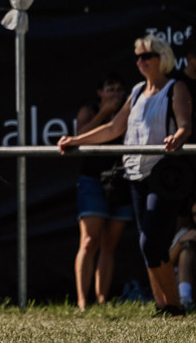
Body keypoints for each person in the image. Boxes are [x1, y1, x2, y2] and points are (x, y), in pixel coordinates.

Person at [59, 35, 193, 317]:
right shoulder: (135, 92)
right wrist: (76, 140)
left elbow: (185, 125)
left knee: (150, 240)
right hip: (135, 174)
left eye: (147, 56)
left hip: (163, 173)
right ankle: (164, 305)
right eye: (138, 57)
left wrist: (177, 138)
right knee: (149, 243)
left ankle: (175, 305)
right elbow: (113, 129)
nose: (140, 61)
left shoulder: (175, 87)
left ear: (162, 58)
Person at [71, 73, 131, 310]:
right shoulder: (89, 109)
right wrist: (104, 114)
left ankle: (103, 298)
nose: (115, 93)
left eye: (119, 88)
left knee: (109, 244)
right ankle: (82, 301)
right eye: (110, 88)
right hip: (92, 181)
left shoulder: (129, 109)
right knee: (88, 241)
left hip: (120, 179)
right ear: (100, 92)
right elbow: (81, 137)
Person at [170, 201, 196, 311]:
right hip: (189, 283)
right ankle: (185, 299)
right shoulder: (186, 233)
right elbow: (167, 264)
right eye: (195, 214)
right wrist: (180, 243)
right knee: (187, 252)